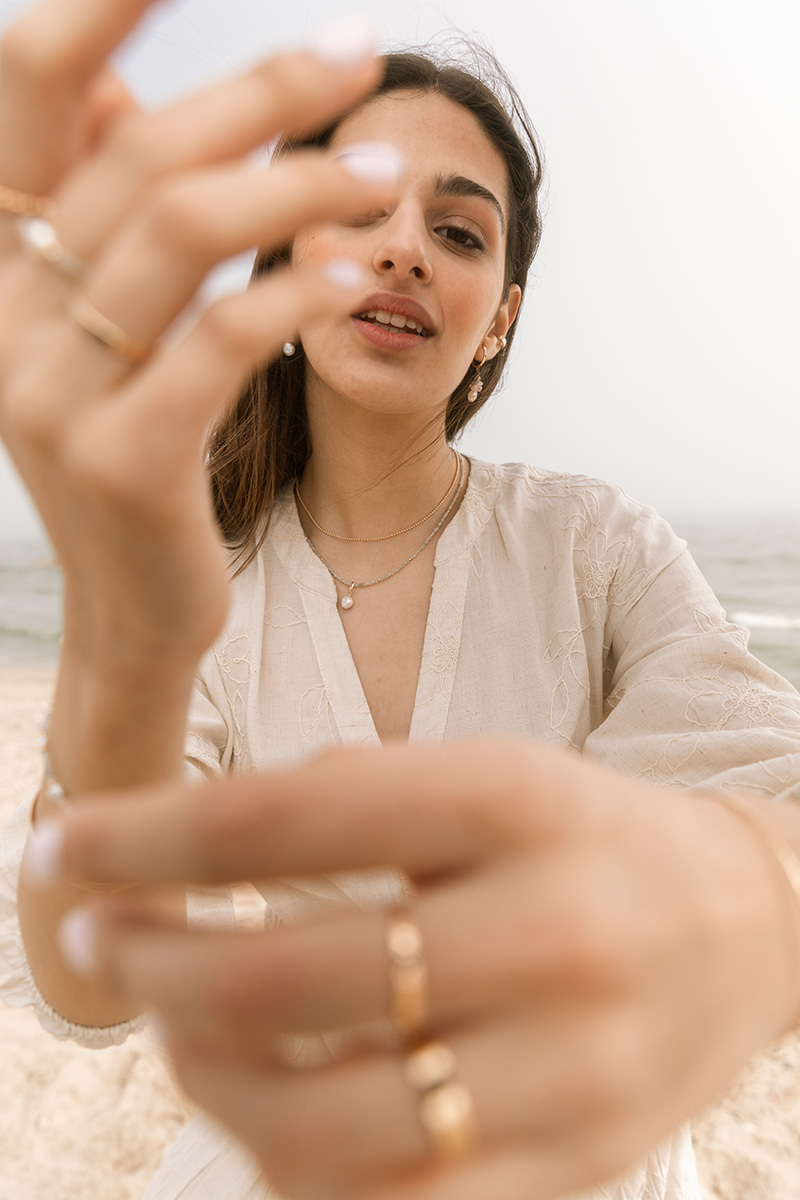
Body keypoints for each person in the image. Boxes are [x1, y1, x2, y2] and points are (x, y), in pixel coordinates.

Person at [0, 1, 799, 1198]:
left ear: (499, 322)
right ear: (278, 261)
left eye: (459, 232)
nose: (404, 250)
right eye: (354, 212)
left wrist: (745, 888)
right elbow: (88, 982)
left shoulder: (594, 545)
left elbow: (770, 781)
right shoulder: (208, 584)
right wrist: (128, 646)